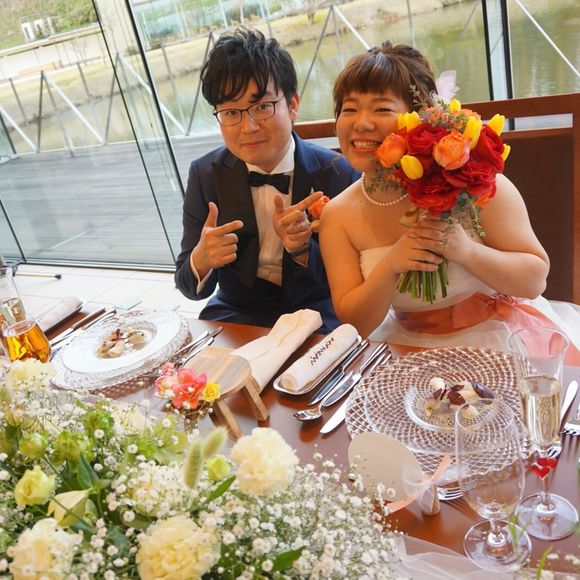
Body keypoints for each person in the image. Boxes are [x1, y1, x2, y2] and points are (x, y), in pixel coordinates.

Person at [319, 41, 580, 362]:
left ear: (419, 119)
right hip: (402, 349)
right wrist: (390, 266)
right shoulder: (337, 215)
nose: (362, 123)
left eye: (381, 109)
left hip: (496, 337)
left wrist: (465, 251)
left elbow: (535, 279)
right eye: (349, 109)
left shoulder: (471, 183)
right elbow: (355, 324)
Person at [175, 27, 358, 332]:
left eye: (262, 107)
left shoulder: (338, 172)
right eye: (230, 112)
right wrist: (202, 258)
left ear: (293, 105)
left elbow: (352, 279)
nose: (248, 127)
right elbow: (188, 286)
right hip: (236, 311)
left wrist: (302, 249)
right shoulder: (205, 174)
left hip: (317, 311)